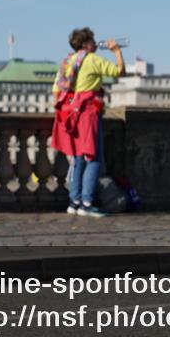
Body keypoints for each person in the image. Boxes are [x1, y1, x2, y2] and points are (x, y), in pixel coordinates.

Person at [51, 27, 125, 217]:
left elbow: (56, 90)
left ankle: (74, 202)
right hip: (88, 113)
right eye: (92, 40)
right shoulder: (92, 59)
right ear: (85, 44)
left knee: (77, 158)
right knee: (92, 159)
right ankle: (86, 203)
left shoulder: (67, 61)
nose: (95, 44)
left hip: (69, 115)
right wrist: (116, 51)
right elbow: (119, 72)